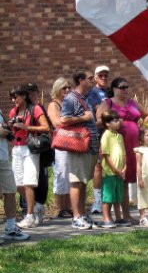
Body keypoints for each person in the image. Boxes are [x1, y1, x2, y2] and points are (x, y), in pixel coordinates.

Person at [97, 77, 148, 224]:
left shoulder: (132, 102)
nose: (125, 90)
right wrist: (114, 123)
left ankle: (125, 215)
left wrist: (142, 130)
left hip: (132, 143)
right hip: (115, 144)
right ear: (114, 89)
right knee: (117, 179)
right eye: (122, 87)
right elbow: (99, 121)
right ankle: (116, 216)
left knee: (126, 180)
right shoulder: (107, 103)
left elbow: (147, 114)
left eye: (127, 87)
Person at [60, 69, 100, 230]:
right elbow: (64, 119)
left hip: (89, 146)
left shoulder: (85, 98)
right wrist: (84, 118)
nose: (93, 81)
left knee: (83, 182)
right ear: (81, 80)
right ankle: (76, 217)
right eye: (90, 78)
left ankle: (83, 215)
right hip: (78, 146)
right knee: (76, 182)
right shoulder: (71, 98)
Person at [9, 84, 51, 228]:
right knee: (18, 184)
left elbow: (46, 128)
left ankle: (30, 215)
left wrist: (26, 127)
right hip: (17, 148)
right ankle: (37, 207)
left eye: (15, 96)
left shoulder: (35, 109)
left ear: (24, 96)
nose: (13, 100)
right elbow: (13, 132)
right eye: (11, 97)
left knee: (29, 183)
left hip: (30, 148)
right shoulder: (13, 112)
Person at [0, 106, 30, 242]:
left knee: (10, 191)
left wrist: (7, 128)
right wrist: (4, 132)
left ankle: (11, 228)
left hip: (3, 157)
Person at [46, 78, 73, 218]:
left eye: (69, 87)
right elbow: (57, 123)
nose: (67, 90)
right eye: (64, 88)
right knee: (61, 173)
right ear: (57, 89)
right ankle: (61, 208)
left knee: (70, 174)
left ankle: (69, 206)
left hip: (73, 144)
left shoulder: (71, 103)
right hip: (61, 144)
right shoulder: (54, 105)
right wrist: (74, 121)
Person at [86, 65, 110, 215]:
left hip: (111, 134)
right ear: (95, 77)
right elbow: (96, 116)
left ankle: (109, 198)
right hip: (98, 134)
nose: (104, 78)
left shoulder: (109, 91)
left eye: (106, 75)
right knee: (98, 167)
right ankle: (98, 201)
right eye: (101, 75)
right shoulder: (93, 93)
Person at [99, 110, 126, 229]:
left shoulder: (119, 136)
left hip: (120, 172)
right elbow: (106, 155)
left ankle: (118, 218)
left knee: (117, 196)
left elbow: (124, 154)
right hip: (110, 172)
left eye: (118, 119)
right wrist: (115, 169)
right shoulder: (106, 136)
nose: (118, 122)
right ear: (107, 123)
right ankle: (106, 219)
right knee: (108, 196)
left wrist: (124, 168)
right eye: (114, 120)